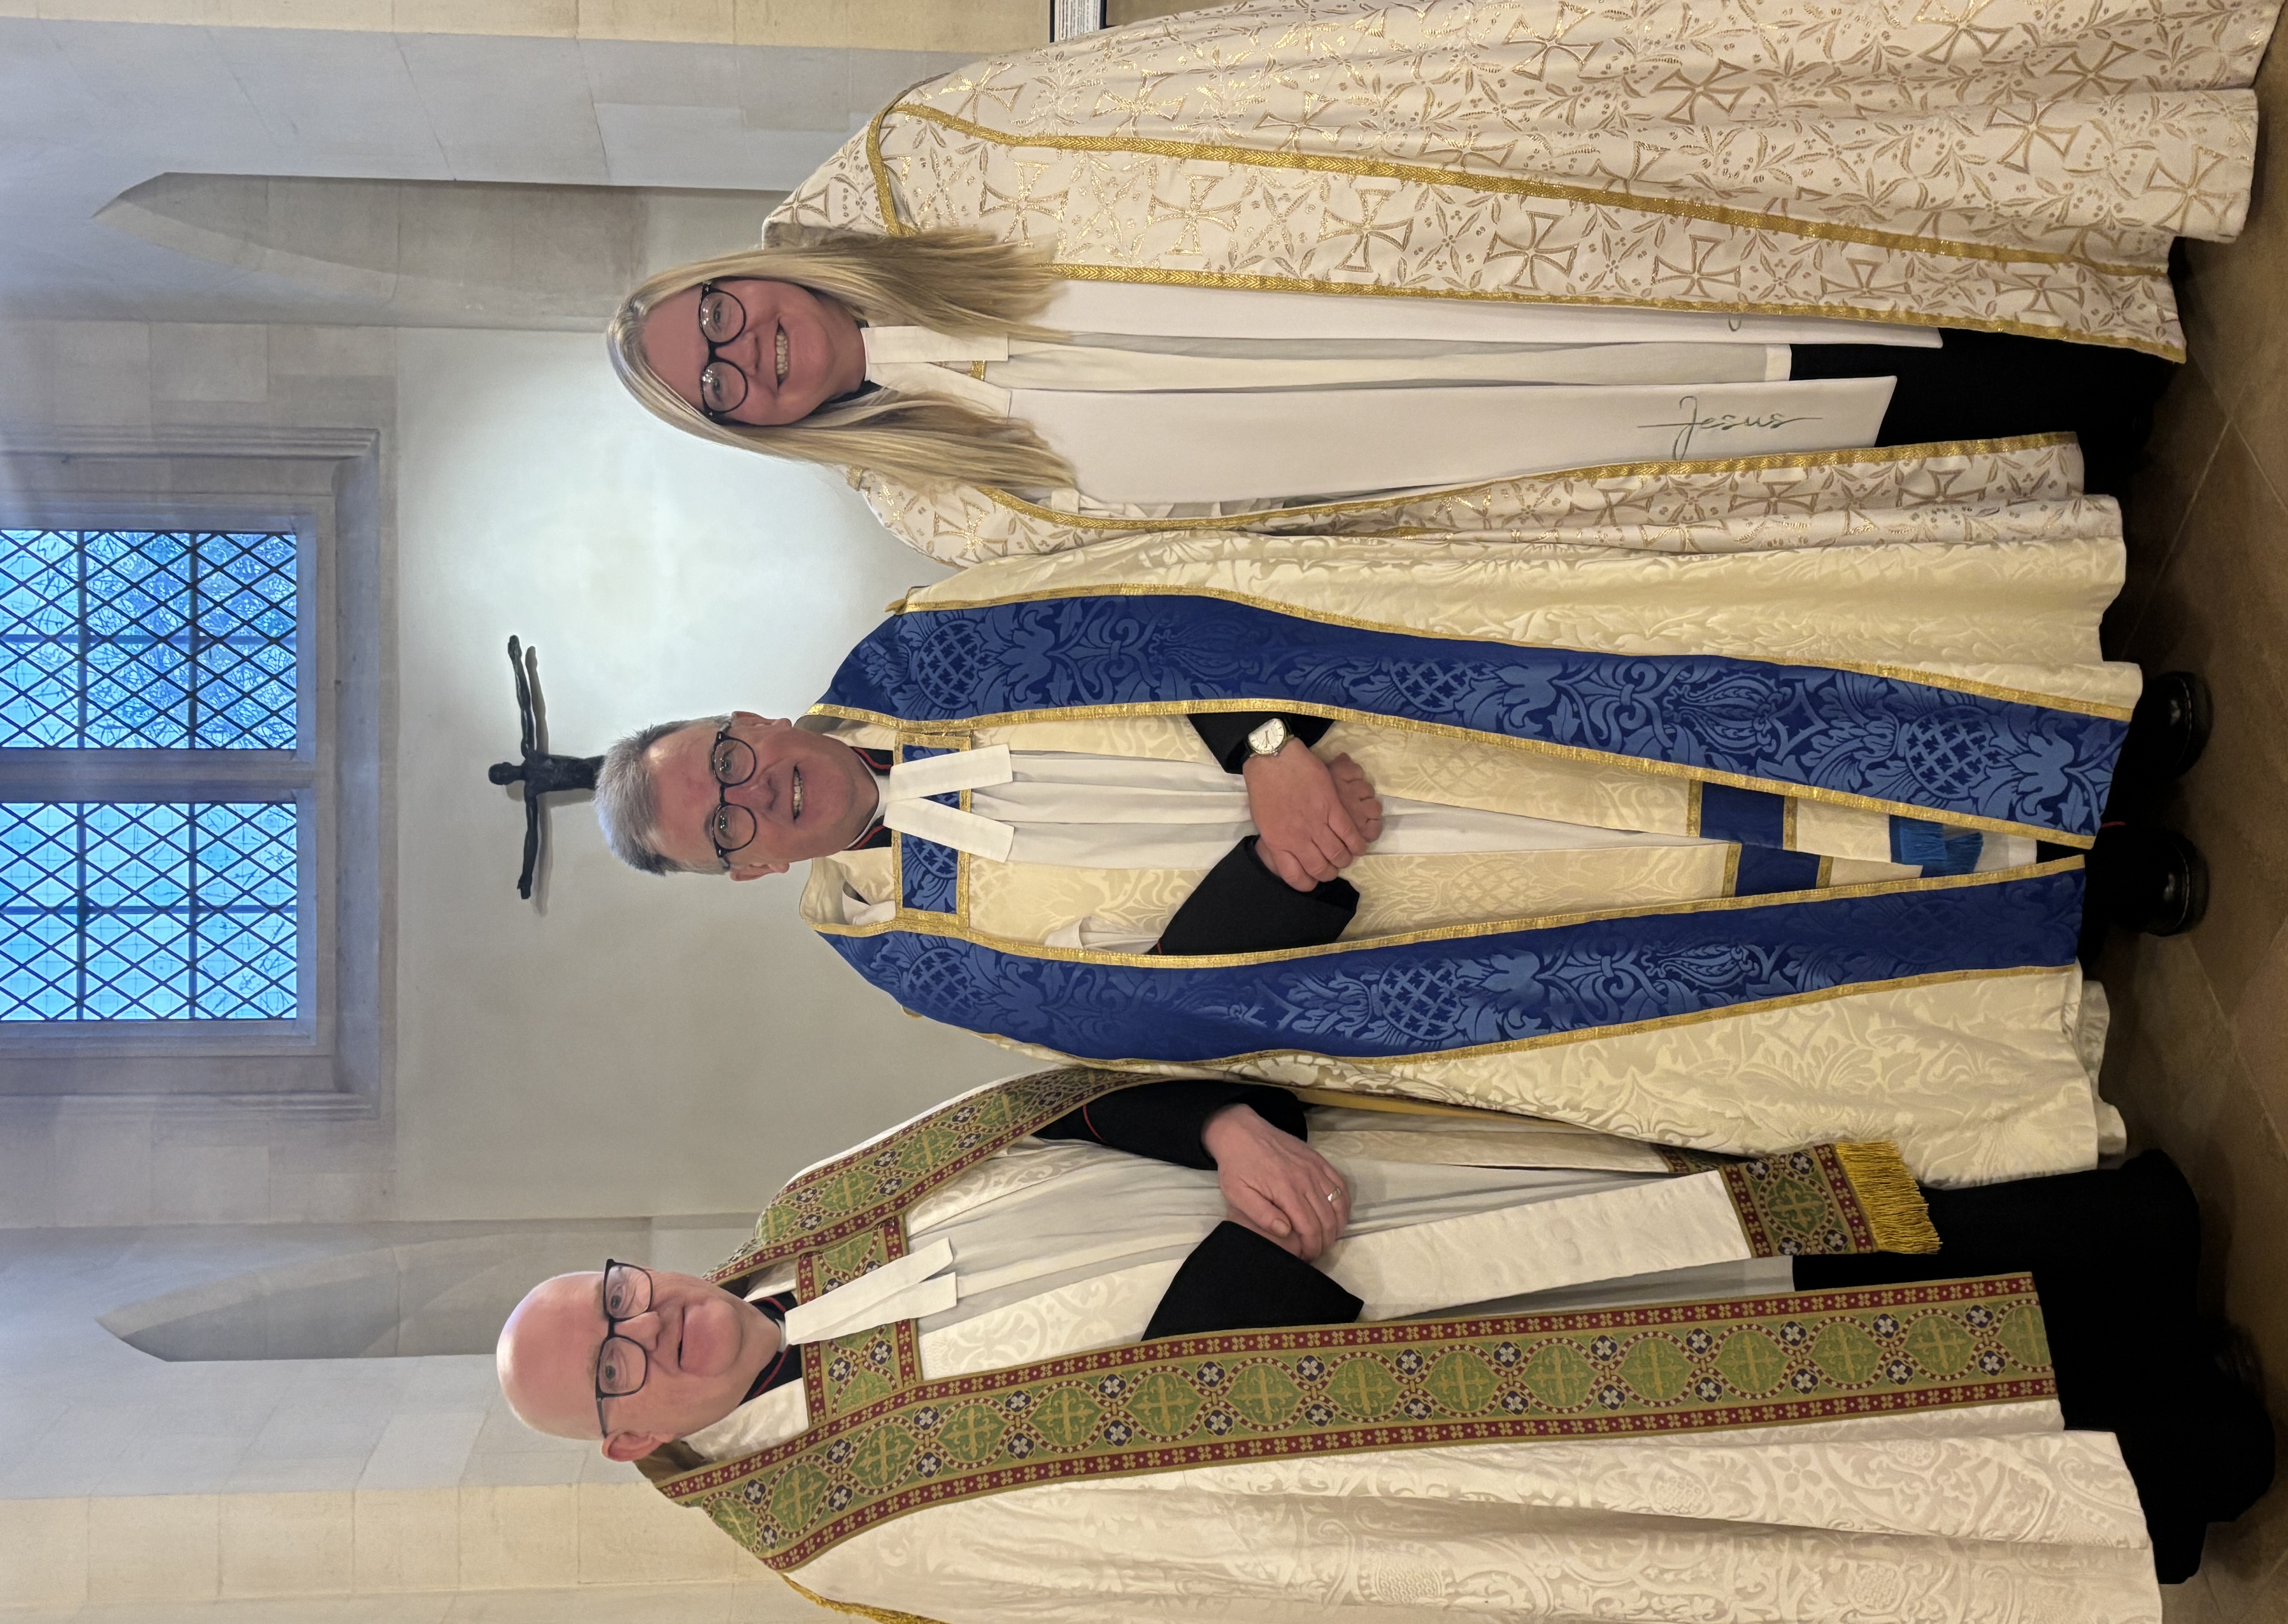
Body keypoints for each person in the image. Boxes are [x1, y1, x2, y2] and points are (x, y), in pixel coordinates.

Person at [591, 476, 2211, 1185]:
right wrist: (1281, 891)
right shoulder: (904, 956)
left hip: (1383, 715)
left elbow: (1148, 607)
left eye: (723, 761)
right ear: (745, 874)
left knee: (1697, 731)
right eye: (722, 829)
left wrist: (1272, 750)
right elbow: (1151, 1021)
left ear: (746, 716)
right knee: (1707, 906)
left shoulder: (916, 650)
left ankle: (2085, 752)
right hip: (1406, 921)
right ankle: (2073, 893)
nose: (750, 795)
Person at [495, 1071, 2274, 1624]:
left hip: (1380, 1205)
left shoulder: (809, 1215)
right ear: (631, 1438)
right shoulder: (827, 1524)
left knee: (1729, 1240)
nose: (657, 1326)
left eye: (620, 1296)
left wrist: (1219, 1124)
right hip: (1384, 1406)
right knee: (1768, 1401)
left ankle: (2120, 1267)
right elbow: (1139, 1514)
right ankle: (2166, 1436)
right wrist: (1257, 1266)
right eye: (619, 1366)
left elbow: (1047, 1109)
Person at [602, 0, 2277, 565]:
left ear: (744, 268)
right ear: (750, 430)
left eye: (717, 316)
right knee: (1733, 427)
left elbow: (1195, 90)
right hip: (1435, 457)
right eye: (720, 386)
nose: (748, 351)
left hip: (1441, 231)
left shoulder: (922, 160)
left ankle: (2100, 227)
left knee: (1766, 271)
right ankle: (2098, 394)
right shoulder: (941, 508)